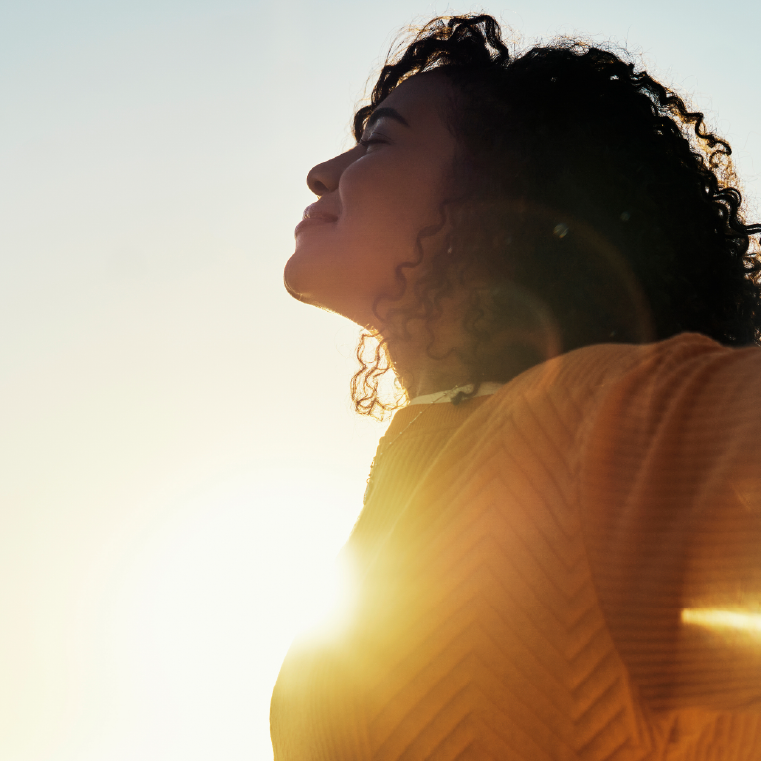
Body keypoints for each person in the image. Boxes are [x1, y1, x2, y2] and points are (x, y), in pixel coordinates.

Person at [273, 14, 761, 759]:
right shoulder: (420, 475)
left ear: (499, 195)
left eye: (378, 140)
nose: (322, 172)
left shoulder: (613, 429)